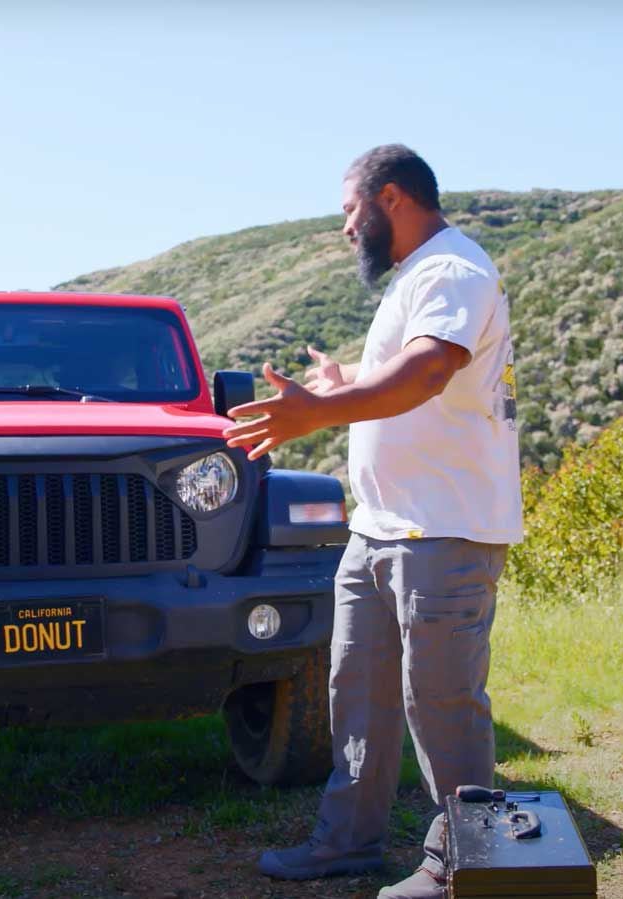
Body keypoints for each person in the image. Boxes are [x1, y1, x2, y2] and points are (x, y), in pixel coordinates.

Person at [225, 145, 523, 899]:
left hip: (442, 530)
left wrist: (315, 411)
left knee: (443, 702)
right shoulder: (416, 279)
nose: (345, 230)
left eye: (350, 213)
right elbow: (403, 370)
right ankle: (346, 841)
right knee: (356, 690)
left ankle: (465, 867)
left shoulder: (453, 270)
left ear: (391, 198)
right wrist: (346, 380)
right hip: (381, 528)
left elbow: (429, 371)